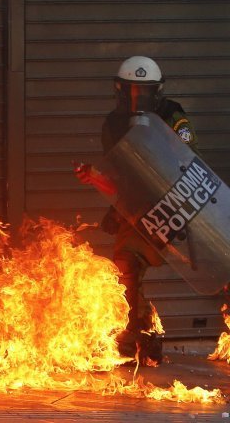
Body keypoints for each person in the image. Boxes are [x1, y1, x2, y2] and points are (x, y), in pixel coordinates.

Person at [75, 55, 199, 358]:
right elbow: (119, 178)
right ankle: (139, 332)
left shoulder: (173, 115)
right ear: (120, 90)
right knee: (127, 261)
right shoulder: (113, 124)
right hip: (143, 209)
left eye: (144, 91)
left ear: (157, 91)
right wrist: (98, 182)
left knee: (219, 262)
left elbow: (189, 157)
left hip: (180, 204)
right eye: (132, 91)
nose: (138, 98)